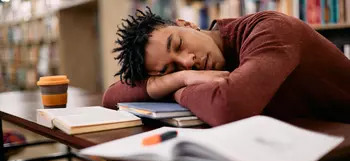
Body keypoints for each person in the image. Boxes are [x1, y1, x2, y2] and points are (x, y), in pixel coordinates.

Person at [102, 7, 350, 126]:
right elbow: (111, 98)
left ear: (187, 24)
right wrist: (180, 79)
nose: (187, 63)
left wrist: (175, 87)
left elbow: (228, 108)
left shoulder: (269, 29)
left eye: (177, 44)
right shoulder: (189, 72)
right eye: (172, 69)